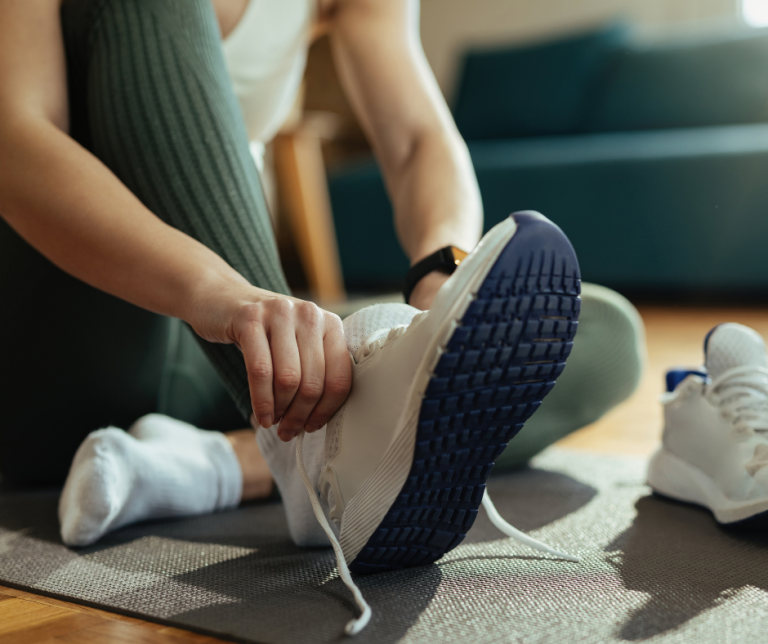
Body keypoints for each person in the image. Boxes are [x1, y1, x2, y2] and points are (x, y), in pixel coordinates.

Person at [0, 0, 644, 550]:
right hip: (51, 336)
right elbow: (13, 140)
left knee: (602, 333)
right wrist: (227, 295)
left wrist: (444, 277)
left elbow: (418, 136)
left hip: (210, 362)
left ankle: (229, 462)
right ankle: (308, 449)